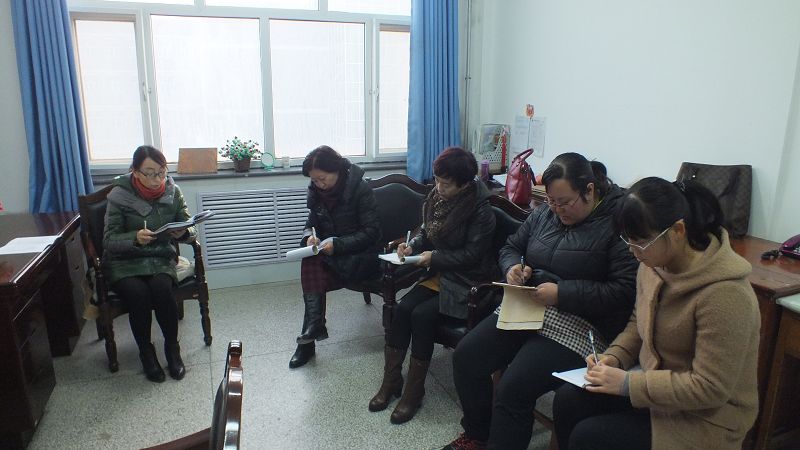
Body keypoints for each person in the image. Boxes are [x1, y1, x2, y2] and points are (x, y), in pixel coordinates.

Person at [443, 152, 639, 450]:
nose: (557, 210)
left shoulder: (617, 223)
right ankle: (477, 435)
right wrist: (512, 267)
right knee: (467, 357)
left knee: (513, 388)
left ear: (589, 191)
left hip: (580, 324)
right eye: (551, 201)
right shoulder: (545, 213)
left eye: (564, 202)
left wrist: (562, 293)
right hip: (530, 306)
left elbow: (624, 291)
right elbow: (511, 246)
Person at [552, 177, 760, 450]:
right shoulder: (653, 263)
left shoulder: (726, 295)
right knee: (568, 401)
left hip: (704, 417)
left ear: (678, 231)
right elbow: (639, 322)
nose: (632, 250)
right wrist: (614, 357)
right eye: (628, 240)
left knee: (589, 437)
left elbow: (710, 388)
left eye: (640, 242)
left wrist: (628, 384)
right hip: (654, 390)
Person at [368, 147, 498, 424]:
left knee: (422, 316)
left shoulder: (480, 210)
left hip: (467, 281)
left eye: (445, 183)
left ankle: (414, 392)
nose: (438, 188)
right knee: (403, 310)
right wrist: (412, 245)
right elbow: (426, 231)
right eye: (437, 180)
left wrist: (434, 257)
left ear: (465, 184)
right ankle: (391, 381)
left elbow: (472, 256)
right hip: (441, 274)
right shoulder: (438, 198)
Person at [103, 145, 195, 383]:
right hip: (125, 261)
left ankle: (172, 349)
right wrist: (134, 238)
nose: (157, 180)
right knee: (138, 294)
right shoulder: (119, 195)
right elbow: (109, 240)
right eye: (150, 173)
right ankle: (146, 353)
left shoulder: (173, 191)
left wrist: (184, 233)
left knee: (162, 288)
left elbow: (188, 224)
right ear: (135, 172)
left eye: (162, 172)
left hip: (159, 257)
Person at [290, 145, 382, 369]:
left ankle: (309, 337)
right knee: (311, 259)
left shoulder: (360, 189)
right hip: (334, 254)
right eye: (314, 180)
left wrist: (338, 245)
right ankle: (313, 327)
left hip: (364, 256)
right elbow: (310, 224)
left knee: (313, 268)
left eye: (322, 179)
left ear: (337, 170)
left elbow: (372, 233)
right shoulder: (316, 192)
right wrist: (309, 237)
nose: (318, 184)